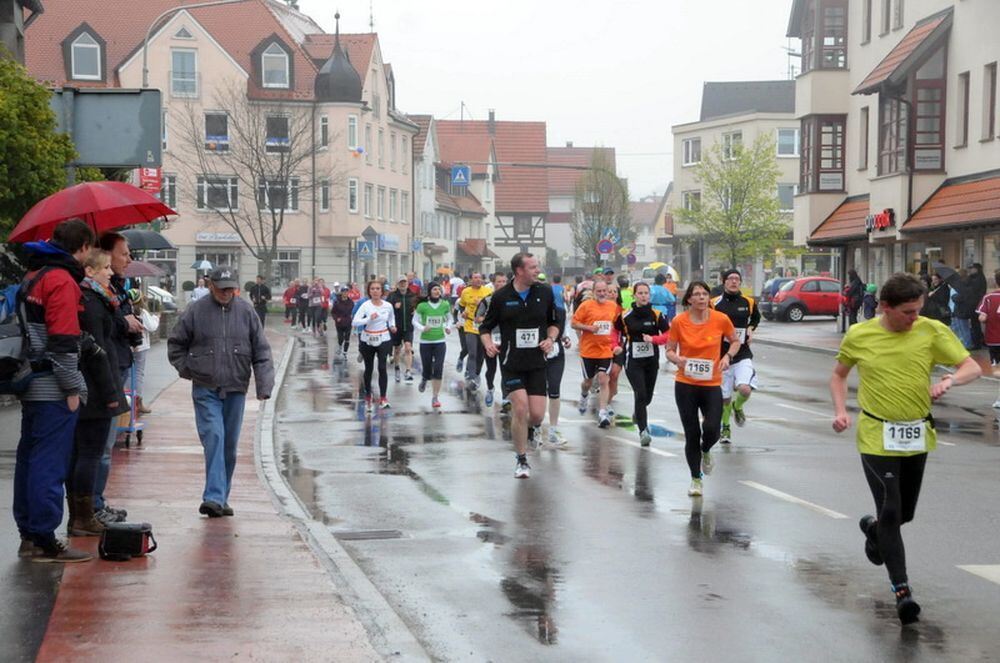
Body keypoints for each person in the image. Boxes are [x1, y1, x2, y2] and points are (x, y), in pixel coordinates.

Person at [830, 273, 980, 625]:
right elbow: (838, 375)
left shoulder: (930, 331)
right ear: (885, 307)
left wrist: (948, 380)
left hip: (915, 434)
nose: (915, 318)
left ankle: (873, 529)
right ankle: (902, 592)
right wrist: (840, 412)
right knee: (893, 508)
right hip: (875, 434)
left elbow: (971, 366)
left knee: (903, 515)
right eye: (908, 312)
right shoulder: (860, 335)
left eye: (918, 310)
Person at [14, 219, 95, 562]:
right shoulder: (61, 280)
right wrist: (72, 388)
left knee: (29, 459)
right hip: (52, 387)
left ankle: (29, 534)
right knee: (50, 462)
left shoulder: (33, 276)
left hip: (30, 382)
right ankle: (45, 537)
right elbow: (62, 342)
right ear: (82, 248)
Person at [169, 266, 273, 517]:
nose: (227, 293)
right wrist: (189, 370)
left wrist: (264, 386)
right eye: (222, 288)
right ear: (210, 285)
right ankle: (213, 497)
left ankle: (221, 498)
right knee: (214, 437)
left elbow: (261, 351)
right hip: (206, 386)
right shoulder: (196, 310)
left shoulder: (247, 312)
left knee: (229, 446)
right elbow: (176, 344)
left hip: (236, 386)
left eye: (231, 288)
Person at [647, 281, 740, 497]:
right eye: (696, 294)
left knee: (711, 430)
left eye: (704, 294)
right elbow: (669, 350)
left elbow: (734, 341)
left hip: (711, 384)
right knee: (691, 433)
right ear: (689, 298)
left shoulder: (720, 319)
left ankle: (706, 449)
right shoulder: (680, 321)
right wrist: (677, 359)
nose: (701, 298)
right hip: (686, 384)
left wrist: (727, 356)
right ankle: (696, 479)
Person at [480, 253, 559, 479]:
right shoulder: (501, 297)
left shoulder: (544, 292)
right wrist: (488, 345)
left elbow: (555, 322)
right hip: (512, 362)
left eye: (537, 266)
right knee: (520, 409)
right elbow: (485, 327)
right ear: (519, 271)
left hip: (536, 363)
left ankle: (531, 430)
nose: (537, 270)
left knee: (536, 415)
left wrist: (550, 339)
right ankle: (522, 459)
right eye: (533, 267)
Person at [69, 249, 128, 537]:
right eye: (105, 267)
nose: (110, 272)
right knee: (90, 453)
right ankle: (85, 514)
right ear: (89, 271)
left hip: (97, 387)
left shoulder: (101, 298)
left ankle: (85, 512)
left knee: (88, 452)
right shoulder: (91, 302)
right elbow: (97, 351)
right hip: (96, 390)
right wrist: (110, 393)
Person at [94, 232, 142, 525]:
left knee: (106, 444)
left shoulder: (118, 287)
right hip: (107, 371)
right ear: (106, 256)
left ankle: (98, 501)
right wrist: (122, 321)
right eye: (123, 254)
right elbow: (99, 328)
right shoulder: (98, 291)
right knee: (100, 445)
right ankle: (93, 506)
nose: (128, 260)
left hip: (119, 363)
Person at [711, 270, 760, 446]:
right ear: (724, 282)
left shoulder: (749, 302)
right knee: (724, 398)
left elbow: (756, 318)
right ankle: (725, 427)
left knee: (745, 389)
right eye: (730, 279)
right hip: (721, 356)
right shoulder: (714, 303)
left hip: (742, 354)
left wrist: (751, 328)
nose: (734, 282)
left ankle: (737, 407)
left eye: (737, 279)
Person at [617, 282, 668, 446]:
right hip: (633, 361)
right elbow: (614, 331)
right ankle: (643, 431)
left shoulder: (657, 315)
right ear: (634, 295)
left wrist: (654, 339)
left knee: (647, 397)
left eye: (646, 293)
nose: (644, 296)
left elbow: (668, 334)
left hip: (651, 361)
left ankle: (638, 413)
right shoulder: (625, 316)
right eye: (640, 293)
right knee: (640, 393)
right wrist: (615, 346)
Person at [571, 279, 619, 428]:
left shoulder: (613, 306)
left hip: (605, 350)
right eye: (599, 291)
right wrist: (588, 328)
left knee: (604, 379)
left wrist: (618, 343)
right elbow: (573, 323)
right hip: (589, 350)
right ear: (593, 292)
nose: (602, 294)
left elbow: (618, 326)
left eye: (604, 291)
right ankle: (584, 394)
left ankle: (602, 412)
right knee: (588, 382)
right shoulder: (586, 306)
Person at [352, 280, 397, 411]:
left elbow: (391, 318)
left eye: (378, 289)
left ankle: (383, 398)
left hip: (383, 338)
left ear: (382, 291)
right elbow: (355, 322)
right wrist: (368, 319)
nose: (375, 291)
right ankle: (368, 397)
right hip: (368, 339)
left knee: (382, 368)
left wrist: (392, 326)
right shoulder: (365, 305)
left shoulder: (388, 305)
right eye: (372, 289)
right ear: (369, 291)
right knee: (369, 368)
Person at [412, 282, 452, 409]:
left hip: (440, 341)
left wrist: (448, 327)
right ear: (429, 291)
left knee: (439, 368)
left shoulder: (445, 304)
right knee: (427, 367)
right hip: (425, 342)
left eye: (438, 289)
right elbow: (414, 321)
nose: (437, 291)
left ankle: (435, 397)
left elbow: (449, 318)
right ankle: (424, 378)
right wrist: (423, 328)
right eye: (434, 289)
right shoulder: (422, 306)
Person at [475, 272, 508, 407]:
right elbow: (477, 318)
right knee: (491, 368)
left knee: (506, 368)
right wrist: (490, 318)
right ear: (493, 283)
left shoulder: (511, 299)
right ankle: (490, 388)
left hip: (506, 338)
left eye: (503, 281)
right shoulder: (487, 300)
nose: (501, 284)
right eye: (498, 282)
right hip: (490, 338)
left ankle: (506, 396)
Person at [129, 288, 160, 415]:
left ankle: (129, 400)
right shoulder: (142, 312)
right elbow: (152, 327)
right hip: (141, 346)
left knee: (129, 373)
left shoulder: (128, 311)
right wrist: (156, 317)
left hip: (129, 346)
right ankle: (137, 402)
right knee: (138, 374)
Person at [458, 273, 490, 389]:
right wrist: (463, 312)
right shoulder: (466, 292)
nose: (478, 280)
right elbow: (461, 305)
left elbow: (491, 309)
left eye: (480, 278)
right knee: (472, 352)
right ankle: (471, 377)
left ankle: (476, 374)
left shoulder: (487, 291)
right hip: (470, 324)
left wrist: (481, 304)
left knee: (480, 355)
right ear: (471, 280)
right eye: (475, 278)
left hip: (482, 326)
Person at [976, 270, 1000, 408]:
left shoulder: (989, 297)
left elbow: (982, 317)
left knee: (996, 370)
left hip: (994, 339)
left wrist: (986, 319)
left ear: (996, 281)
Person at [387, 277, 417, 383]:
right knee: (397, 349)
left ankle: (408, 371)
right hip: (396, 327)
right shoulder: (392, 296)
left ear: (408, 283)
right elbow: (386, 310)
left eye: (404, 282)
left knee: (408, 348)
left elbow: (419, 308)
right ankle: (397, 368)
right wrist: (394, 307)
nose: (403, 284)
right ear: (398, 284)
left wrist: (416, 311)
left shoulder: (413, 296)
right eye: (401, 282)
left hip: (408, 327)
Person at [966, 263, 988, 350]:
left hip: (975, 304)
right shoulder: (974, 277)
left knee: (975, 324)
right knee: (975, 324)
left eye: (972, 268)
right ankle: (979, 341)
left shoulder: (978, 279)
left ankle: (977, 343)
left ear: (977, 269)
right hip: (974, 304)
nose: (971, 270)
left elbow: (973, 290)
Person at [331, 287, 355, 358]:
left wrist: (353, 317)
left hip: (348, 322)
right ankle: (340, 346)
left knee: (347, 338)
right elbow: (333, 312)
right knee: (341, 338)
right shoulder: (337, 302)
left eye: (346, 292)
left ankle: (345, 352)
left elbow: (353, 311)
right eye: (344, 292)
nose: (345, 293)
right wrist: (336, 318)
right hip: (339, 323)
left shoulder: (351, 302)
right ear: (341, 293)